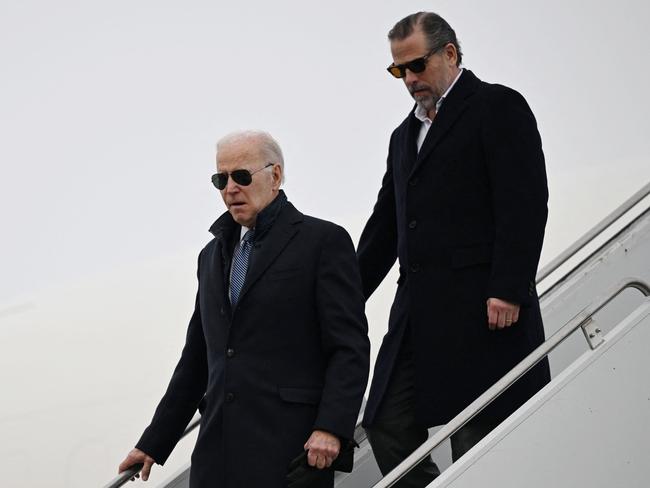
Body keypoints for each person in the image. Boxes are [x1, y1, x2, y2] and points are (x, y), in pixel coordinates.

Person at [357, 12, 551, 486]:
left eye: (417, 65)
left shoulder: (497, 106)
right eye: (398, 70)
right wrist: (342, 294)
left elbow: (524, 201)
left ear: (450, 53)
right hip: (417, 312)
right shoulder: (403, 137)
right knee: (385, 422)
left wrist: (508, 287)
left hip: (484, 308)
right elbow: (385, 228)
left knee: (476, 438)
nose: (409, 79)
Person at [118, 131, 370, 488]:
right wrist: (153, 443)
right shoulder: (211, 257)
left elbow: (350, 347)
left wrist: (331, 427)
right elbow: (196, 360)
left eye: (242, 176)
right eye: (221, 179)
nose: (230, 189)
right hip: (217, 455)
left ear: (276, 176)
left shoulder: (322, 242)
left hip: (291, 451)